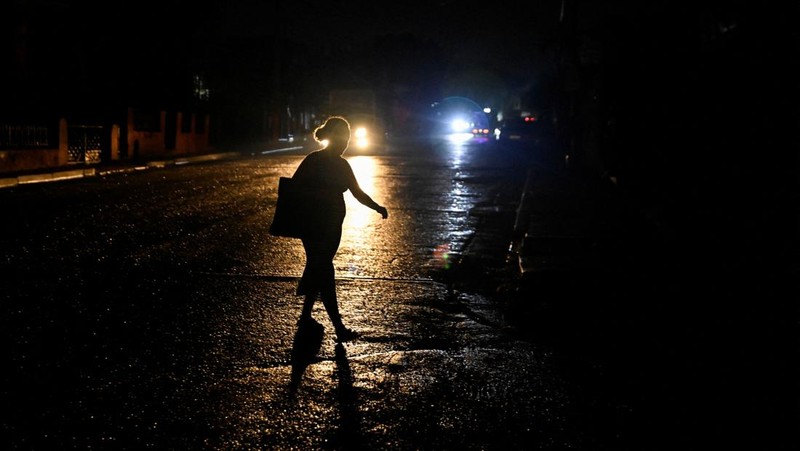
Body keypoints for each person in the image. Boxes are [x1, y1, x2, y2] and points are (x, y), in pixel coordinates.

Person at [291, 116, 388, 342]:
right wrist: (377, 207)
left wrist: (377, 207)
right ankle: (338, 327)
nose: (345, 143)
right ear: (333, 138)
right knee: (324, 269)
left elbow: (357, 193)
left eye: (348, 138)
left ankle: (306, 316)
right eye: (343, 138)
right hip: (319, 225)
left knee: (318, 265)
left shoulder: (318, 161)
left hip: (326, 225)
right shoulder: (327, 162)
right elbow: (357, 193)